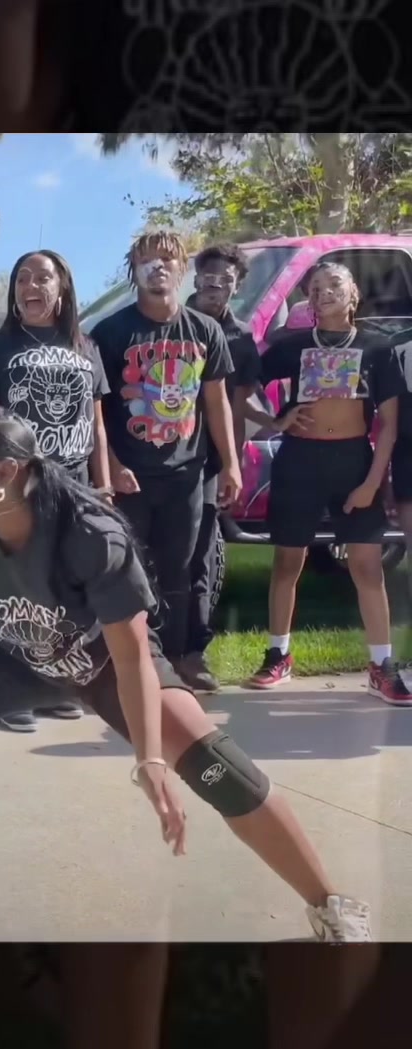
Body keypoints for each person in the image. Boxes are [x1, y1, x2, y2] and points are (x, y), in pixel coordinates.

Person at [0, 409, 372, 945]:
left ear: (7, 473)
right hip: (14, 658)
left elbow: (132, 656)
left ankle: (331, 903)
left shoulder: (90, 532)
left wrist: (150, 759)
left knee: (223, 773)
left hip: (105, 667)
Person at [237, 261, 409, 702]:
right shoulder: (291, 346)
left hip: (354, 462)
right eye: (315, 287)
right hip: (300, 461)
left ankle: (382, 666)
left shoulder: (377, 347)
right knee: (287, 562)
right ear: (308, 300)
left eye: (334, 284)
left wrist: (372, 482)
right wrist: (274, 421)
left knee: (367, 566)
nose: (323, 291)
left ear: (353, 295)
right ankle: (278, 655)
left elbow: (390, 425)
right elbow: (240, 390)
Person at [0, 248, 110, 731]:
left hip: (75, 485)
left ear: (62, 286)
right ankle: (9, 692)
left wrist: (104, 482)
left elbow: (96, 423)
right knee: (15, 588)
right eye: (22, 277)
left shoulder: (85, 347)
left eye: (42, 277)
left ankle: (55, 686)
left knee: (65, 587)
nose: (31, 285)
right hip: (16, 486)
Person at [89, 230, 242, 676]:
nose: (158, 267)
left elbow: (216, 402)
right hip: (131, 476)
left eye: (168, 259)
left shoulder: (205, 330)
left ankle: (175, 663)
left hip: (187, 475)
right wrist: (112, 466)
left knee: (178, 571)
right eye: (147, 260)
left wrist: (231, 464)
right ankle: (128, 664)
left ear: (182, 270)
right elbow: (97, 411)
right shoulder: (110, 332)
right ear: (133, 271)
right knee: (127, 570)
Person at [183, 243, 261, 691]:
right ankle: (149, 649)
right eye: (209, 278)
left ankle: (194, 652)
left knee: (202, 558)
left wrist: (235, 465)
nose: (215, 287)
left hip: (209, 463)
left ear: (237, 285)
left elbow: (240, 403)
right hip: (157, 458)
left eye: (225, 280)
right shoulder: (171, 322)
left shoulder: (241, 337)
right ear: (196, 280)